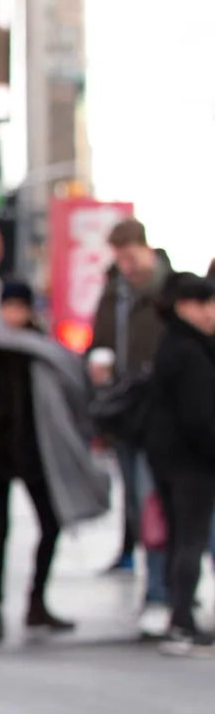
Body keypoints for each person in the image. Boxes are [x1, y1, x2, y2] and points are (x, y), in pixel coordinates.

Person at [0, 281, 111, 643]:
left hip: (37, 451)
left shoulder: (43, 349)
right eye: (10, 306)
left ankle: (37, 602)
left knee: (50, 524)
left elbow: (73, 391)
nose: (15, 314)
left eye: (21, 306)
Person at [87, 219, 172, 619]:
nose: (125, 264)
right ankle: (157, 586)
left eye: (128, 255)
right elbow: (99, 337)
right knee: (140, 503)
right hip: (124, 409)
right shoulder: (114, 291)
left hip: (159, 410)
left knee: (151, 498)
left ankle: (161, 590)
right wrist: (99, 360)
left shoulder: (166, 288)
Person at [144, 272, 215, 655]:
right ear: (188, 306)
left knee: (180, 540)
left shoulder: (173, 344)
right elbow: (200, 418)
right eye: (207, 304)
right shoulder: (190, 352)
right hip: (191, 463)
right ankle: (182, 621)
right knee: (190, 540)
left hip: (169, 458)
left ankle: (179, 617)